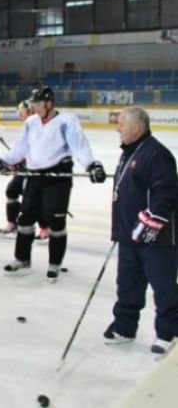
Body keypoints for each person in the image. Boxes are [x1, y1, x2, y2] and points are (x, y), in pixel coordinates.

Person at [0, 86, 106, 281]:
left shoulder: (67, 121)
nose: (34, 107)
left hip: (57, 176)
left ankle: (55, 264)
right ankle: (22, 259)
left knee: (56, 223)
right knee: (25, 219)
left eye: (37, 103)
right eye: (33, 104)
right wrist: (1, 162)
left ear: (49, 104)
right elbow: (20, 149)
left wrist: (92, 165)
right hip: (34, 176)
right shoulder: (31, 122)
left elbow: (80, 147)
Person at [104, 107, 178, 357]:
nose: (117, 128)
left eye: (122, 124)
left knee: (163, 287)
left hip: (156, 239)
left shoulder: (156, 154)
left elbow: (166, 192)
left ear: (137, 127)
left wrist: (152, 224)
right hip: (129, 235)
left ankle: (169, 333)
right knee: (128, 284)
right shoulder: (130, 151)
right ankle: (125, 327)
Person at [0, 100, 50, 242]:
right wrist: (15, 162)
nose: (19, 114)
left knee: (34, 197)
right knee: (12, 190)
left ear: (29, 111)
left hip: (37, 169)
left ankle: (45, 227)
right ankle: (12, 222)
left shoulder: (40, 125)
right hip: (26, 168)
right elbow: (20, 150)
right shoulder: (28, 125)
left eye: (21, 111)